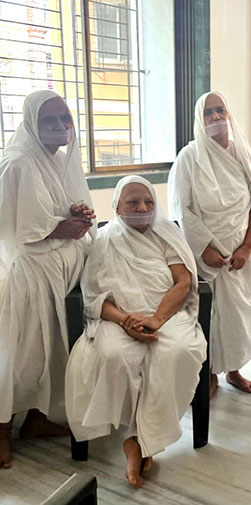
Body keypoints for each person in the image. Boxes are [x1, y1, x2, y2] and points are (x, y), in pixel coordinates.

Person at [65, 176, 206, 489]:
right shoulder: (103, 240)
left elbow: (183, 282)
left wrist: (156, 319)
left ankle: (138, 441)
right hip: (118, 319)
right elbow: (94, 295)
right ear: (117, 207)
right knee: (113, 355)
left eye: (148, 202)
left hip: (167, 315)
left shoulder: (166, 233)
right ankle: (139, 437)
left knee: (178, 352)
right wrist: (126, 320)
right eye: (132, 202)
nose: (142, 208)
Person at [0, 90, 95, 469]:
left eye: (65, 119)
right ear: (31, 123)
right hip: (30, 277)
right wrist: (59, 228)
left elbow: (51, 208)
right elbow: (10, 225)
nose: (60, 127)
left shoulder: (53, 160)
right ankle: (1, 431)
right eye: (49, 120)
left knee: (54, 351)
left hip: (59, 274)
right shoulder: (17, 162)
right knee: (20, 358)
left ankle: (37, 420)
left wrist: (76, 214)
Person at [168, 92, 251, 395]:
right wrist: (204, 249)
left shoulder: (241, 153)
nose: (215, 116)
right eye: (208, 112)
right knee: (211, 316)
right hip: (208, 257)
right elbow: (182, 209)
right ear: (199, 120)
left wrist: (247, 246)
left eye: (220, 110)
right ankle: (209, 371)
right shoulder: (189, 158)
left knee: (238, 317)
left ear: (228, 114)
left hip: (242, 256)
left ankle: (234, 370)